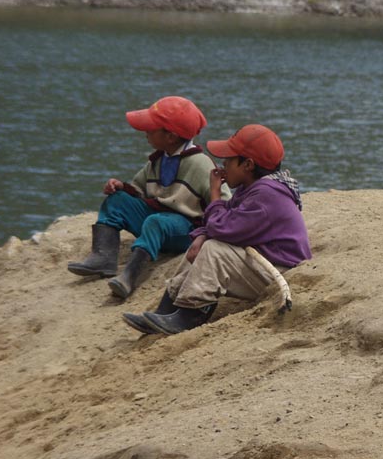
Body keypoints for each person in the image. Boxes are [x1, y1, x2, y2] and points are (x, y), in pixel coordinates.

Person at [122, 124, 312, 336]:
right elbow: (220, 221)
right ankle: (168, 308)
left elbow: (222, 228)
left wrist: (214, 193)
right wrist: (201, 235)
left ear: (248, 164)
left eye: (229, 160)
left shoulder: (267, 195)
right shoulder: (251, 188)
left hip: (280, 271)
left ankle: (190, 313)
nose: (224, 164)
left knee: (214, 249)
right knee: (202, 244)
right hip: (264, 260)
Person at [68, 96, 229, 299]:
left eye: (151, 129)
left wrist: (206, 233)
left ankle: (129, 276)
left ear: (170, 136)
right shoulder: (158, 160)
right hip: (157, 218)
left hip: (183, 230)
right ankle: (103, 257)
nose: (145, 132)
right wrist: (120, 187)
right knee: (116, 200)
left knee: (156, 221)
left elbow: (223, 203)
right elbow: (138, 189)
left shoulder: (201, 164)